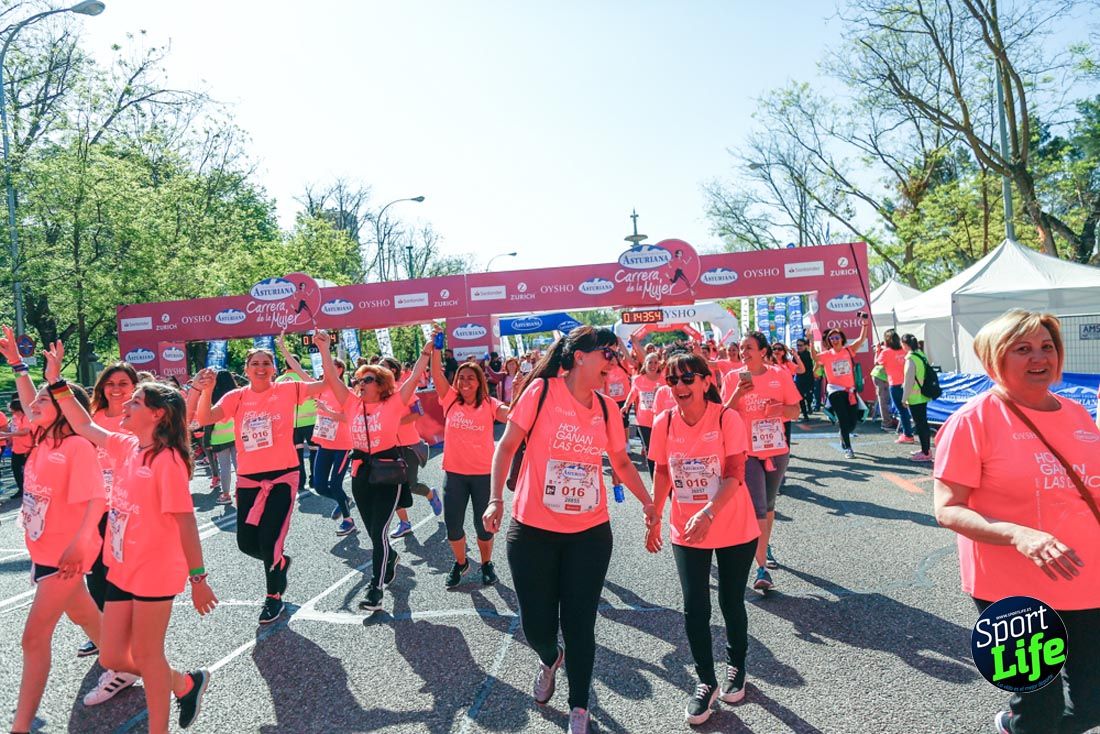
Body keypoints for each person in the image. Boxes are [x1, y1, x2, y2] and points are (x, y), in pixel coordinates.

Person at [932, 309, 1100, 734]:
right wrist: (1018, 534)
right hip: (1012, 588)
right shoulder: (971, 421)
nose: (1039, 357)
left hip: (1087, 578)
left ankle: (1016, 725)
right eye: (1022, 349)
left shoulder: (1078, 414)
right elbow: (948, 507)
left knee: (1094, 705)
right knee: (1040, 710)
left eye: (1047, 346)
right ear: (995, 358)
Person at [482, 326, 657, 734]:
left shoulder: (608, 408)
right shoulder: (541, 392)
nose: (614, 363)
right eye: (607, 354)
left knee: (580, 625)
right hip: (533, 530)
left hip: (589, 532)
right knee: (536, 626)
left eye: (616, 355)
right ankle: (549, 658)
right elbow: (506, 446)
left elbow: (621, 462)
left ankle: (579, 706)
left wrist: (648, 502)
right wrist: (495, 499)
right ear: (580, 356)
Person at [43, 342, 217, 733]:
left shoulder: (168, 461)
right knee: (110, 656)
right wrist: (56, 382)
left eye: (135, 401)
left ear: (156, 414)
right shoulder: (127, 446)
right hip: (121, 566)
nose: (126, 403)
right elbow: (84, 425)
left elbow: (186, 523)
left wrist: (198, 579)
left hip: (154, 570)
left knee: (148, 655)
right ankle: (185, 684)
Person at [645, 351, 759, 726]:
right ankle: (706, 681)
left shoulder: (727, 418)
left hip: (732, 523)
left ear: (706, 381)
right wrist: (654, 516)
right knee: (695, 606)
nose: (679, 386)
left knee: (730, 600)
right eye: (672, 380)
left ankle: (736, 666)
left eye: (687, 378)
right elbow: (663, 471)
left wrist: (708, 512)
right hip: (687, 527)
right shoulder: (663, 422)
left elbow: (735, 472)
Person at [2, 329, 105, 734]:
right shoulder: (42, 438)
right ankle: (158, 674)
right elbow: (31, 399)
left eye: (43, 401)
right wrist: (17, 364)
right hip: (43, 551)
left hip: (66, 556)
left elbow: (97, 500)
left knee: (33, 638)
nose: (33, 406)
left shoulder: (77, 448)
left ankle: (20, 725)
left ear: (63, 409)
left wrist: (80, 544)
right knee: (88, 618)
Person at [193, 336, 329, 624]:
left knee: (270, 539)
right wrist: (206, 391)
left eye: (266, 363)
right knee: (246, 543)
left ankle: (273, 597)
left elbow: (327, 384)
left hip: (283, 476)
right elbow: (204, 418)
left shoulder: (289, 389)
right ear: (247, 368)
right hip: (249, 479)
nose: (261, 367)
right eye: (255, 363)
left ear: (273, 368)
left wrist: (325, 350)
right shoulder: (236, 397)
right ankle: (279, 561)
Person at [315, 331, 431, 612]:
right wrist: (324, 348)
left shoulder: (393, 403)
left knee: (379, 532)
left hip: (388, 472)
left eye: (366, 380)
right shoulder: (351, 403)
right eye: (358, 380)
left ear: (380, 385)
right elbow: (331, 376)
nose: (360, 384)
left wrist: (427, 352)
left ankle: (375, 590)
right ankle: (389, 558)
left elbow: (415, 377)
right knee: (373, 533)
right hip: (360, 473)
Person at [722, 332, 801, 591]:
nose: (743, 352)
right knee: (757, 505)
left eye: (749, 348)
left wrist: (779, 409)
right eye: (741, 348)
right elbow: (724, 414)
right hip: (746, 451)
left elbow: (795, 411)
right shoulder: (733, 378)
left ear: (763, 351)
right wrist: (737, 393)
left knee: (768, 504)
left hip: (776, 450)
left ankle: (763, 546)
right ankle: (761, 568)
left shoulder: (780, 375)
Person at [430, 335, 509, 588]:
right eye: (461, 377)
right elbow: (436, 373)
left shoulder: (489, 403)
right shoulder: (450, 400)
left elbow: (510, 415)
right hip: (454, 475)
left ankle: (486, 564)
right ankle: (461, 563)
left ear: (479, 382)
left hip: (484, 475)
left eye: (470, 378)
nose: (465, 382)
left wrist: (519, 394)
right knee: (453, 526)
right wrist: (436, 349)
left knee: (483, 526)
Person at [78, 362, 139, 662]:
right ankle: (101, 632)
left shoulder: (138, 419)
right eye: (110, 383)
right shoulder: (91, 419)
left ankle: (127, 633)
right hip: (95, 507)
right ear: (102, 387)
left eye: (123, 383)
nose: (116, 389)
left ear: (134, 387)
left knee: (121, 571)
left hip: (128, 510)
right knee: (95, 571)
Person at [382, 356, 443, 540]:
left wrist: (396, 423)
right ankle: (405, 523)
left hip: (408, 445)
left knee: (411, 485)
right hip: (388, 446)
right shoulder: (378, 392)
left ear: (393, 370)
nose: (378, 368)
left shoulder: (402, 389)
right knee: (392, 487)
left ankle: (431, 494)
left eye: (382, 366)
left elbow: (419, 412)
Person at [309, 357, 357, 535]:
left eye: (329, 367)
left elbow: (349, 418)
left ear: (340, 370)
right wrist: (283, 349)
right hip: (325, 443)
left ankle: (348, 521)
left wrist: (327, 411)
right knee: (319, 486)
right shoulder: (321, 389)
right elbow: (300, 373)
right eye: (323, 367)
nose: (325, 369)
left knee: (336, 485)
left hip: (342, 445)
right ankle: (344, 499)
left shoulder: (347, 391)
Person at [815, 316, 869, 459]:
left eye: (837, 337)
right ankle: (848, 448)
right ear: (829, 341)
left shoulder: (848, 350)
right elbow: (815, 358)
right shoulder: (826, 355)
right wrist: (810, 340)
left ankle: (843, 433)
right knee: (843, 420)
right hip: (835, 391)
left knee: (853, 421)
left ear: (842, 338)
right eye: (831, 338)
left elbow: (861, 339)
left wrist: (864, 324)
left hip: (850, 391)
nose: (834, 340)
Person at [275, 355, 318, 493]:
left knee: (297, 454)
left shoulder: (279, 381)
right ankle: (314, 480)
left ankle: (300, 482)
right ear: (297, 364)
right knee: (314, 451)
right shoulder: (306, 378)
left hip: (291, 424)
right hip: (311, 421)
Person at [622, 353, 662, 476]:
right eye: (650, 362)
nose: (653, 365)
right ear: (645, 364)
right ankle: (654, 479)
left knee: (661, 450)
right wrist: (626, 405)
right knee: (649, 450)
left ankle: (663, 476)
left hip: (661, 420)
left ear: (659, 364)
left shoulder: (664, 379)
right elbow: (633, 393)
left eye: (655, 362)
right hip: (643, 420)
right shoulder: (638, 379)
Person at [901, 334, 934, 462]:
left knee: (920, 425)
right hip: (923, 394)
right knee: (923, 423)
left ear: (905, 345)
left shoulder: (910, 359)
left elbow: (908, 381)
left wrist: (904, 398)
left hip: (915, 397)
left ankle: (926, 452)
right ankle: (925, 449)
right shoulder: (920, 354)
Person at [206, 371, 238, 506]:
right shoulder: (238, 395)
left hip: (219, 438)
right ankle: (241, 489)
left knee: (224, 467)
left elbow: (208, 422)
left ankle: (226, 495)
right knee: (239, 465)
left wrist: (206, 441)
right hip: (237, 435)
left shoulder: (213, 398)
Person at [880, 329, 913, 444]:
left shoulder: (885, 352)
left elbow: (878, 363)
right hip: (909, 383)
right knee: (910, 409)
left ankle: (907, 434)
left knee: (902, 410)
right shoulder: (904, 350)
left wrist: (879, 350)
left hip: (895, 384)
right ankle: (908, 432)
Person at [4, 399, 32, 497]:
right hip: (16, 448)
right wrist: (9, 440)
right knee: (16, 470)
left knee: (29, 470)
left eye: (14, 411)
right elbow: (13, 429)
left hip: (27, 448)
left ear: (19, 410)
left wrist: (8, 434)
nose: (13, 413)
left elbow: (25, 431)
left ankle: (30, 490)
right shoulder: (15, 417)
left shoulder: (26, 417)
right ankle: (21, 489)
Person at [870, 342, 895, 431]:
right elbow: (876, 362)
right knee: (883, 400)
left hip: (883, 377)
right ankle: (886, 423)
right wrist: (878, 350)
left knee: (884, 399)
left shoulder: (887, 350)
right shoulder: (885, 351)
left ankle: (883, 418)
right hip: (880, 376)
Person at [794, 338, 816, 421]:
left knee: (809, 395)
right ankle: (805, 414)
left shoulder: (809, 354)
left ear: (805, 346)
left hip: (809, 378)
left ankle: (809, 405)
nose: (799, 347)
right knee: (800, 397)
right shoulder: (795, 355)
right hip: (799, 378)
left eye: (800, 345)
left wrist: (815, 371)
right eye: (797, 345)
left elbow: (815, 362)